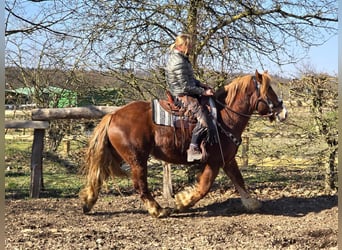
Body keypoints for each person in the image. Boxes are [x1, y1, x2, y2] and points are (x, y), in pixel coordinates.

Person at [165, 33, 215, 162]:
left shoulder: (181, 58)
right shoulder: (178, 61)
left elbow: (189, 79)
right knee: (204, 120)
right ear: (183, 46)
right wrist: (203, 92)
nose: (192, 47)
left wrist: (201, 84)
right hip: (183, 95)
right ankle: (193, 148)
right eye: (190, 45)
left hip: (186, 91)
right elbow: (185, 86)